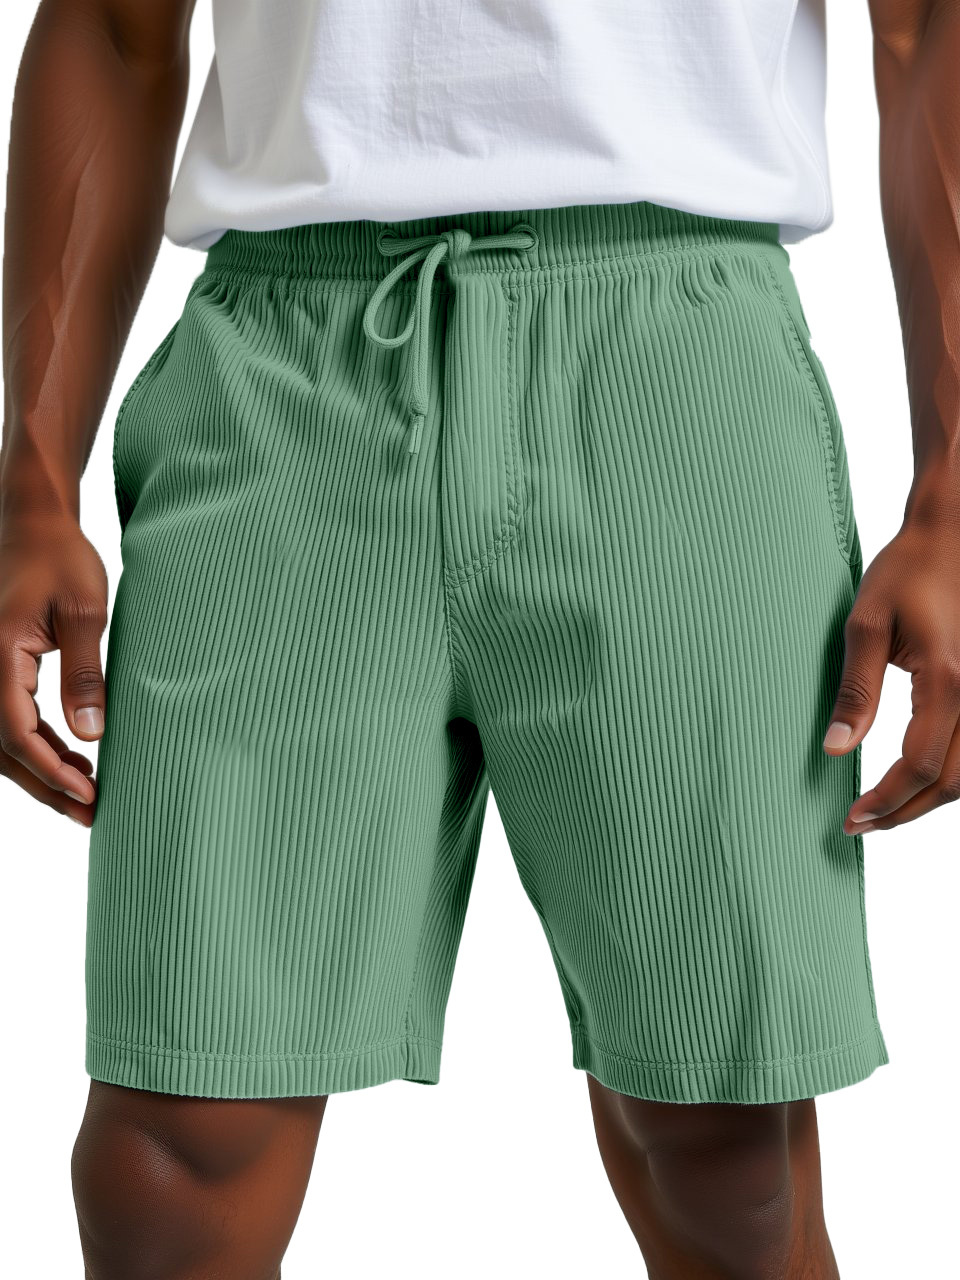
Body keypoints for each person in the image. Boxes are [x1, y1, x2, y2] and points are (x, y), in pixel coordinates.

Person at [1, 0, 957, 1275]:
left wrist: (953, 493)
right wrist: (33, 484)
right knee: (173, 1139)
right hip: (280, 368)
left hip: (679, 360)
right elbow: (115, 28)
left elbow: (925, 28)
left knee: (728, 1146)